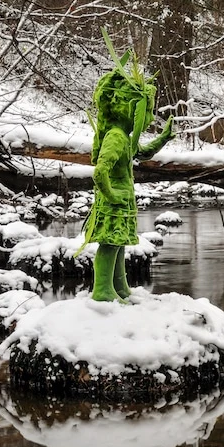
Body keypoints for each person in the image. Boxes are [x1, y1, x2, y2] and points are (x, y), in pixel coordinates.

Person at [82, 47, 173, 302]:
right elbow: (100, 171)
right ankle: (102, 291)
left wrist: (163, 138)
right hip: (115, 200)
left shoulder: (124, 138)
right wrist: (111, 196)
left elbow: (140, 152)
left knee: (118, 243)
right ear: (130, 108)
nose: (148, 118)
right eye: (146, 111)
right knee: (110, 245)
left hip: (122, 198)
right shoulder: (115, 137)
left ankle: (119, 287)